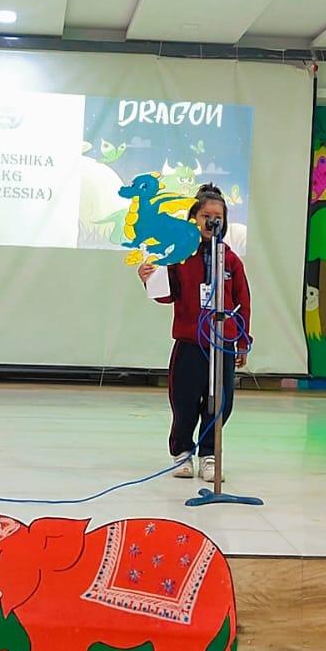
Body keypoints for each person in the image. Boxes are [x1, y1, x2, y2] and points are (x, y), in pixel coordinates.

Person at [138, 183, 251, 483]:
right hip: (190, 342)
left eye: (218, 217)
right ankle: (182, 452)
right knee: (184, 401)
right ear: (194, 219)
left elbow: (243, 300)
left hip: (222, 344)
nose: (212, 222)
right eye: (205, 216)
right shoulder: (180, 255)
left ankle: (209, 455)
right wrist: (148, 279)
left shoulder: (230, 260)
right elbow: (167, 294)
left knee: (221, 402)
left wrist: (242, 341)